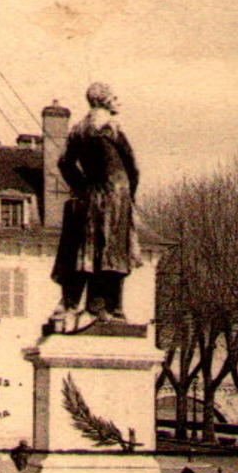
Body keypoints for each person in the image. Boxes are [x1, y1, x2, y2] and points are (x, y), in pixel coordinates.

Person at [50, 82, 140, 325]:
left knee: (89, 250)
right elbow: (132, 166)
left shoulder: (79, 129)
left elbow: (64, 163)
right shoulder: (112, 127)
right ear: (104, 101)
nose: (118, 101)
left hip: (91, 194)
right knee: (113, 251)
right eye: (115, 97)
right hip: (116, 196)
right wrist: (130, 194)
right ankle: (108, 307)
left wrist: (81, 185)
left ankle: (91, 305)